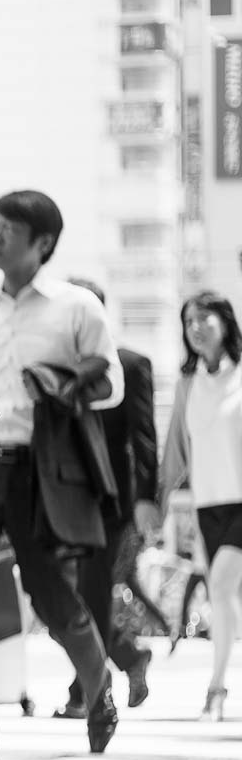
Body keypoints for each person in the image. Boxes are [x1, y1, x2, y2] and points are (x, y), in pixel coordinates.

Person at [0, 191, 124, 760]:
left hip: (37, 470)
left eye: (11, 228)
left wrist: (65, 383)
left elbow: (112, 385)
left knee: (51, 597)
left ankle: (99, 687)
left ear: (43, 244)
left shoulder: (76, 306)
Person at [61, 278, 156, 715]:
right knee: (58, 599)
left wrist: (146, 499)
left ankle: (87, 692)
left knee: (91, 593)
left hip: (110, 500)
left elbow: (144, 436)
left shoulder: (132, 364)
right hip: (60, 499)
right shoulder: (55, 365)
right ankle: (128, 657)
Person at [161, 291, 242, 721]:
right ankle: (221, 683)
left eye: (204, 317)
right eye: (188, 320)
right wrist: (154, 506)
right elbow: (173, 453)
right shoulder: (186, 385)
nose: (195, 327)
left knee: (224, 584)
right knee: (224, 597)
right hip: (207, 506)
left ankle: (217, 687)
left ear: (225, 322)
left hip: (241, 502)